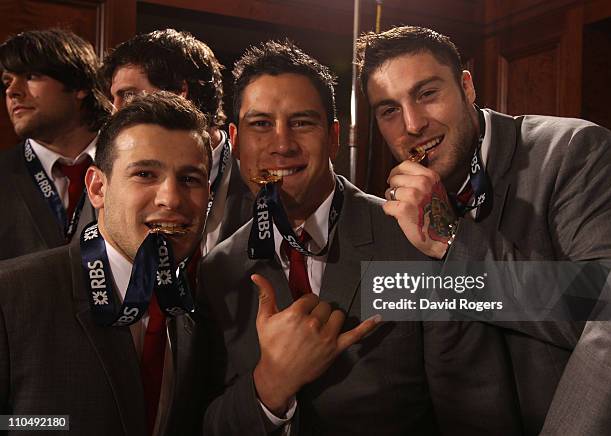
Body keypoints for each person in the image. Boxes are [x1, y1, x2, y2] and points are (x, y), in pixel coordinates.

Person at [197, 39, 527, 436]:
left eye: (302, 122)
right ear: (235, 140)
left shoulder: (415, 240)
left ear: (334, 137)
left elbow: (477, 414)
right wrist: (269, 388)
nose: (281, 144)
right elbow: (207, 422)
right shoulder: (218, 269)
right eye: (261, 124)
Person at [356, 25, 611, 434]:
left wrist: (452, 242)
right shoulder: (397, 205)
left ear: (467, 87)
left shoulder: (572, 150)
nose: (413, 124)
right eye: (389, 110)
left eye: (426, 94)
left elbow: (603, 308)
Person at [0, 92, 211, 436]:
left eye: (190, 179)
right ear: (98, 187)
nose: (171, 198)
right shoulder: (10, 297)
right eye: (145, 174)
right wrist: (54, 426)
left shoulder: (200, 314)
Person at [102, 29, 251, 255]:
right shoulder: (110, 172)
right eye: (145, 175)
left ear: (179, 92)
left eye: (128, 95)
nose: (116, 110)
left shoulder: (259, 183)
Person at [0, 28, 111, 260]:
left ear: (79, 86)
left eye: (30, 76)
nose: (12, 91)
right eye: (7, 81)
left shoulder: (130, 165)